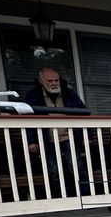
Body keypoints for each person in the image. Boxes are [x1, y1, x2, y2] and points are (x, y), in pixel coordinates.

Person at [23, 67, 91, 195]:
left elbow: (84, 113)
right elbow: (27, 120)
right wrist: (31, 141)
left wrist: (86, 135)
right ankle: (61, 199)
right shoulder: (33, 96)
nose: (54, 83)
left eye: (56, 80)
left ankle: (85, 197)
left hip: (68, 136)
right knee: (53, 171)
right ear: (41, 81)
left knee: (77, 167)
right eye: (50, 81)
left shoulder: (69, 93)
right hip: (46, 139)